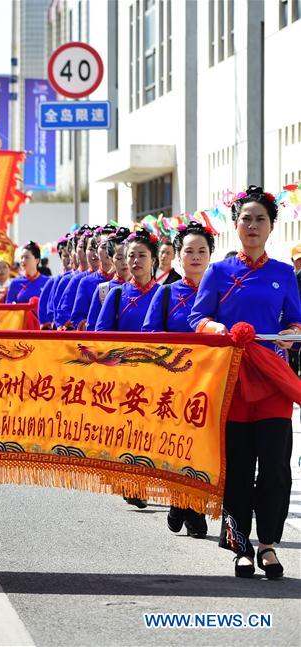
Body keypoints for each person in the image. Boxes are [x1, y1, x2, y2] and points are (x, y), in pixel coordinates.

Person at [188, 186, 301, 579]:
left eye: (260, 220)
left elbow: (296, 321)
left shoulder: (284, 274)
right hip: (231, 381)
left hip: (271, 382)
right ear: (235, 225)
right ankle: (240, 545)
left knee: (275, 467)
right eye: (246, 219)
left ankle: (268, 543)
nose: (252, 226)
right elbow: (196, 318)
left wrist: (290, 332)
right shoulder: (219, 272)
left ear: (272, 227)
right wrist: (219, 327)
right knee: (237, 467)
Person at [142, 221, 216, 539]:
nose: (196, 256)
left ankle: (195, 505)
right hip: (175, 383)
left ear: (210, 255)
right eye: (189, 251)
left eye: (202, 251)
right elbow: (149, 333)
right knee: (179, 447)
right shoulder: (167, 292)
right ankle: (178, 500)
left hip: (211, 383)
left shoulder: (221, 292)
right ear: (178, 257)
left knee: (205, 447)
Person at [95, 228, 161, 509]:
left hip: (157, 374)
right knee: (130, 430)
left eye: (142, 256)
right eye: (131, 256)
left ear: (154, 260)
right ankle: (134, 482)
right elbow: (100, 334)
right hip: (124, 374)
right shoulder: (117, 294)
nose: (135, 261)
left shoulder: (165, 293)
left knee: (153, 432)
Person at [86, 227, 131, 331]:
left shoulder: (154, 290)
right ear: (111, 259)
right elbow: (92, 328)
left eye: (128, 256)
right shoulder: (103, 290)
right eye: (119, 258)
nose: (124, 262)